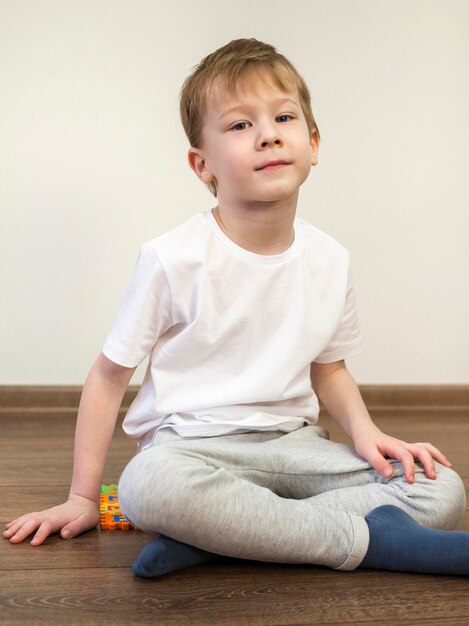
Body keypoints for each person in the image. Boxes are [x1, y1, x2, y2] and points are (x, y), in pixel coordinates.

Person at [4, 38, 468, 579]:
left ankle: (220, 539)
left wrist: (367, 437)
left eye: (283, 117)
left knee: (439, 489)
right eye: (240, 125)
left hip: (292, 447)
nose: (268, 133)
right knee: (145, 487)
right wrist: (84, 498)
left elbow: (330, 369)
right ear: (203, 165)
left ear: (313, 143)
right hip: (193, 451)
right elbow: (108, 378)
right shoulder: (171, 259)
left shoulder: (330, 259)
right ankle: (368, 542)